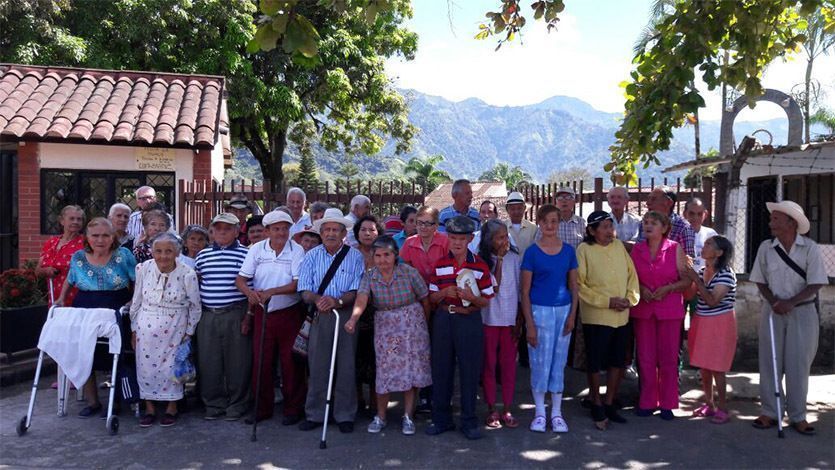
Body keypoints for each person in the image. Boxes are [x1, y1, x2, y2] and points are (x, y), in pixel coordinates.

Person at [749, 200, 827, 436]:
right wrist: (775, 302)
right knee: (769, 362)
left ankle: (798, 415)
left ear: (791, 223)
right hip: (772, 311)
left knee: (798, 364)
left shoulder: (810, 248)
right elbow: (760, 280)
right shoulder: (766, 248)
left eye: (776, 218)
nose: (771, 222)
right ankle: (770, 412)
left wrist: (790, 302)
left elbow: (816, 282)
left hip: (802, 312)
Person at [344, 236, 432, 436]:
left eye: (387, 255)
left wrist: (423, 326)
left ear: (395, 255)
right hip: (385, 325)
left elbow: (425, 300)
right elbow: (361, 299)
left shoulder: (409, 272)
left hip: (412, 324)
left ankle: (408, 416)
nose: (382, 260)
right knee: (384, 371)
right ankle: (381, 416)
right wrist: (353, 319)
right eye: (378, 255)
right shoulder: (369, 276)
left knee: (410, 371)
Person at [55, 217, 137, 418]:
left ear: (113, 237)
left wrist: (133, 301)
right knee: (85, 351)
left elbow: (137, 280)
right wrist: (61, 298)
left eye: (105, 235)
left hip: (116, 304)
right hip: (85, 306)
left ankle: (116, 401)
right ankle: (93, 402)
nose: (100, 240)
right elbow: (70, 279)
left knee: (116, 351)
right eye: (95, 235)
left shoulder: (124, 255)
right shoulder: (78, 257)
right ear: (87, 237)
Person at [235, 210, 307, 425]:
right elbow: (241, 279)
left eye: (285, 228)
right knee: (261, 361)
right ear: (267, 231)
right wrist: (250, 293)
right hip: (262, 312)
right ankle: (261, 408)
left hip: (289, 313)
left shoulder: (297, 250)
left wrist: (271, 292)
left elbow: (297, 284)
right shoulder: (257, 249)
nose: (281, 233)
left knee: (290, 362)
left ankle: (293, 408)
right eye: (276, 229)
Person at [297, 208, 365, 433]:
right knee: (318, 365)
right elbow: (304, 289)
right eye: (327, 230)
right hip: (320, 315)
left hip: (345, 315)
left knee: (346, 365)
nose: (331, 234)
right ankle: (315, 414)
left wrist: (338, 301)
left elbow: (356, 289)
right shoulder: (311, 256)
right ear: (321, 232)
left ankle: (345, 414)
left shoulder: (355, 256)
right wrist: (319, 300)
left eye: (336, 230)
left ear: (344, 233)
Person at [426, 216, 494, 440]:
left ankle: (469, 421)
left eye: (462, 239)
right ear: (448, 238)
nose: (457, 242)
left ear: (470, 239)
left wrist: (472, 298)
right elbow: (432, 297)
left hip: (469, 321)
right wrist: (444, 293)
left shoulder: (480, 265)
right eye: (453, 238)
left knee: (469, 370)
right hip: (444, 319)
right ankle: (441, 419)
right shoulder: (440, 264)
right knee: (441, 369)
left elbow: (486, 301)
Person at [129, 233, 201, 427]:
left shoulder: (187, 273)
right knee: (145, 368)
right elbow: (136, 300)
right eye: (158, 251)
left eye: (168, 251)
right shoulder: (143, 268)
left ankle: (172, 407)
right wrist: (133, 329)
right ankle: (150, 408)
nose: (163, 256)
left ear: (177, 252)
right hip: (145, 327)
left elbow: (195, 306)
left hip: (175, 326)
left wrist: (189, 332)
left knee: (172, 367)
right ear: (152, 252)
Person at [576, 211, 640, 429]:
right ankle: (596, 402)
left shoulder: (619, 246)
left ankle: (609, 402)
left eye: (610, 226)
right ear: (591, 231)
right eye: (603, 227)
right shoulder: (584, 250)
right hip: (596, 316)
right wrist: (607, 302)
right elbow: (579, 285)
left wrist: (630, 299)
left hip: (621, 316)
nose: (609, 231)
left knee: (617, 361)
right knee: (595, 363)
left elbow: (632, 276)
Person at [520, 204, 579, 433]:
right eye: (545, 221)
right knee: (539, 362)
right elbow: (525, 291)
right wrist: (529, 324)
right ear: (540, 223)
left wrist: (572, 315)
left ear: (559, 223)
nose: (550, 225)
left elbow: (574, 286)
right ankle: (539, 413)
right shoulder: (532, 253)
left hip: (563, 311)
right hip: (539, 311)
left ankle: (556, 413)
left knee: (559, 362)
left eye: (554, 221)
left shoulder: (569, 252)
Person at [630, 211, 690, 420]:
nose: (648, 226)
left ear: (664, 228)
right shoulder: (637, 250)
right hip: (644, 309)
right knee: (645, 357)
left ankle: (667, 403)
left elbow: (686, 280)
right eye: (645, 222)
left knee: (668, 358)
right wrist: (640, 289)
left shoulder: (675, 248)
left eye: (653, 223)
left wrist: (669, 288)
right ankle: (647, 401)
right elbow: (629, 278)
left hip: (669, 309)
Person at [194, 212, 252, 421]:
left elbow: (251, 288)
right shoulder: (203, 255)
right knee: (209, 361)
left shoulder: (247, 254)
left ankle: (237, 404)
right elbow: (197, 284)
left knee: (238, 362)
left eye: (227, 228)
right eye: (217, 228)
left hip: (235, 313)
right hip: (208, 316)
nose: (222, 232)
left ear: (237, 231)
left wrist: (248, 317)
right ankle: (213, 404)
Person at [680, 235, 737, 425]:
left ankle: (723, 408)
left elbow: (712, 301)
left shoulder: (727, 274)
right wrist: (687, 277)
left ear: (719, 253)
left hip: (720, 324)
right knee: (704, 367)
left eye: (709, 244)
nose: (703, 247)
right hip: (701, 321)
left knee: (717, 368)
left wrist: (696, 279)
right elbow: (690, 295)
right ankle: (709, 404)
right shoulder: (703, 271)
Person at [399, 205, 448, 414]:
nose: (423, 227)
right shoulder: (409, 244)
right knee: (421, 350)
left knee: (440, 350)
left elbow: (450, 272)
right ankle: (424, 396)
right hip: (418, 303)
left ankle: (441, 395)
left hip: (442, 300)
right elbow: (405, 273)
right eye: (420, 223)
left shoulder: (445, 242)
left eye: (428, 223)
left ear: (436, 226)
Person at [478, 219, 521, 429]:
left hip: (510, 320)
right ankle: (491, 408)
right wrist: (500, 260)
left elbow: (520, 289)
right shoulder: (482, 260)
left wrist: (520, 318)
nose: (505, 241)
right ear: (489, 240)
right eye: (500, 238)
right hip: (488, 319)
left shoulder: (515, 258)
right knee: (488, 365)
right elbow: (493, 287)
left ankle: (507, 408)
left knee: (508, 366)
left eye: (506, 236)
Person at [352, 215, 385, 414]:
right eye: (363, 229)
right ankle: (357, 400)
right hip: (354, 311)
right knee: (354, 358)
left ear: (378, 233)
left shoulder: (384, 254)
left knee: (376, 360)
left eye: (372, 230)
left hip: (378, 313)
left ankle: (375, 403)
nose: (367, 233)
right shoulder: (350, 254)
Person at [37, 205, 85, 305]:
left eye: (79, 219)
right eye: (72, 218)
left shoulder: (86, 243)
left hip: (77, 298)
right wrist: (46, 271)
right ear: (62, 221)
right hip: (54, 296)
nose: (75, 222)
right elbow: (37, 271)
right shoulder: (51, 243)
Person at [640, 186, 695, 258]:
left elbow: (688, 259)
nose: (648, 203)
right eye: (648, 199)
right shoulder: (644, 223)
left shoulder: (683, 227)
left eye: (653, 199)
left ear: (669, 203)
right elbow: (640, 249)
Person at [684, 198, 717, 271]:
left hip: (705, 275)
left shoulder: (711, 234)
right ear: (685, 214)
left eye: (700, 214)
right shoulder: (678, 233)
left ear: (705, 214)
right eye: (691, 213)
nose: (695, 217)